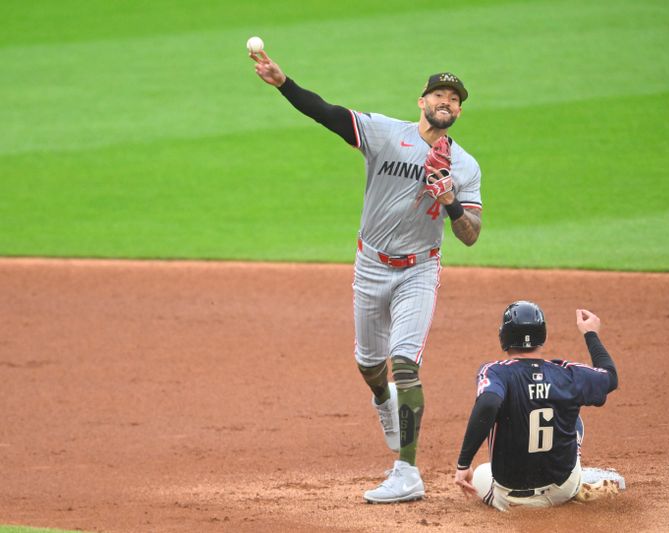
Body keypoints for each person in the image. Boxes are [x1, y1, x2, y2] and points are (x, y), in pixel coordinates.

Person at [250, 50, 482, 503]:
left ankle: (407, 472)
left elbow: (470, 234)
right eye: (439, 94)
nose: (446, 103)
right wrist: (283, 83)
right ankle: (384, 402)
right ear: (422, 101)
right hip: (371, 265)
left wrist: (450, 197)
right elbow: (329, 115)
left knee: (406, 365)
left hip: (419, 269)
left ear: (459, 110)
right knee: (369, 366)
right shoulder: (385, 134)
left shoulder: (465, 165)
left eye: (455, 99)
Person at [453, 301, 623, 511]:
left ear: (504, 336)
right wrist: (591, 334)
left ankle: (522, 494)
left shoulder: (496, 372)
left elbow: (488, 403)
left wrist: (463, 464)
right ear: (542, 336)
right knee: (574, 421)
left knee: (480, 472)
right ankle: (576, 480)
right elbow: (610, 377)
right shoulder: (567, 373)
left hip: (514, 500)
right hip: (562, 489)